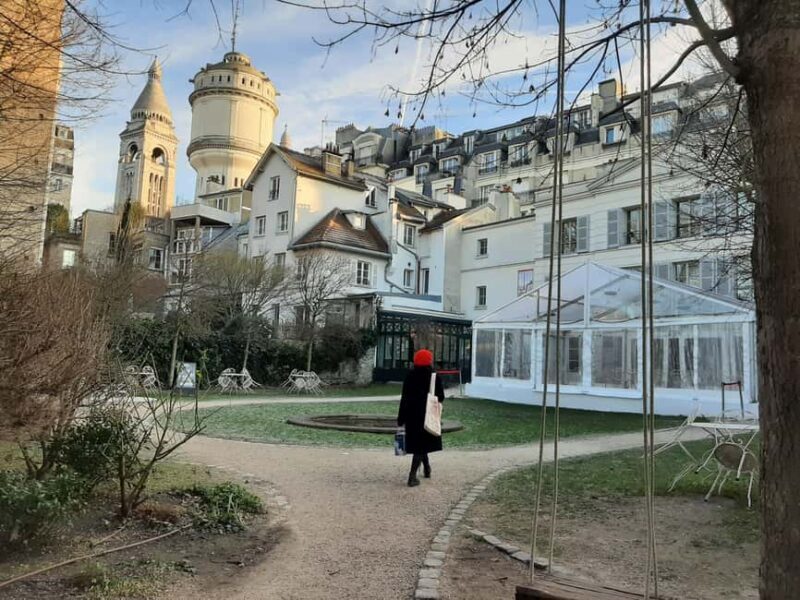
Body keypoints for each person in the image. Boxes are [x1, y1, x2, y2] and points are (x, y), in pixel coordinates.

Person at [397, 348, 444, 487]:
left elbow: (404, 397)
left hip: (411, 415)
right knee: (421, 445)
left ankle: (427, 468)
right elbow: (441, 397)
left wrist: (401, 418)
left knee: (420, 444)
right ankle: (412, 476)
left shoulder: (410, 376)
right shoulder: (434, 377)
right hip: (427, 414)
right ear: (430, 361)